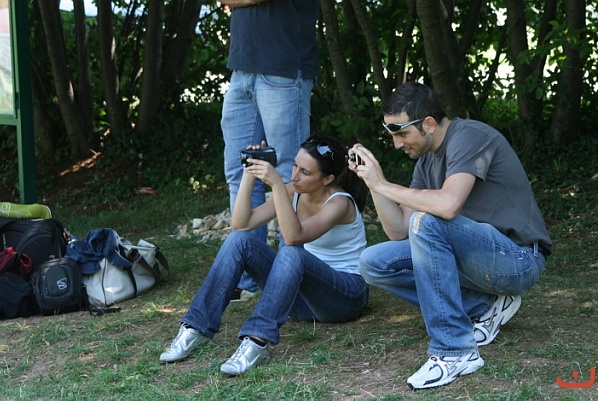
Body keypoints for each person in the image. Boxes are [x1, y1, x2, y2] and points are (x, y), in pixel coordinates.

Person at [348, 82, 552, 389]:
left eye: (402, 133)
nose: (397, 144)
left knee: (428, 221)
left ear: (429, 124)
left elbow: (447, 205)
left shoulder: (470, 136)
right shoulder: (426, 161)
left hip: (519, 259)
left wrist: (384, 185)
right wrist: (374, 184)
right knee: (373, 262)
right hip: (479, 262)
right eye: (391, 134)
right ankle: (485, 307)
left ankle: (455, 351)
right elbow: (398, 230)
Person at [160, 135, 369, 376]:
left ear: (327, 179)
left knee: (291, 251)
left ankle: (256, 341)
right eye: (295, 166)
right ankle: (195, 328)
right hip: (301, 302)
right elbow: (241, 224)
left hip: (344, 298)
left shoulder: (340, 203)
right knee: (240, 240)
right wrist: (249, 174)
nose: (295, 176)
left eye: (305, 172)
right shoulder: (293, 191)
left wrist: (277, 185)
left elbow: (293, 237)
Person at [219, 0, 320, 299]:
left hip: (283, 70)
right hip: (242, 69)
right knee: (240, 173)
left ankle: (291, 276)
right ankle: (249, 278)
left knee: (293, 175)